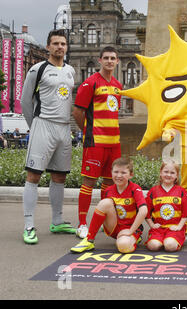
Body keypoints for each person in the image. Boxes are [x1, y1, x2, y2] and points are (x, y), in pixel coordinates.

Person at [20, 29, 76, 244]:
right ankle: (28, 225)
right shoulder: (38, 69)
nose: (59, 47)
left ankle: (57, 220)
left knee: (59, 176)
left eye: (63, 43)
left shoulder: (70, 70)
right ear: (48, 46)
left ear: (66, 47)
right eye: (55, 43)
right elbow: (26, 102)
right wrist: (34, 127)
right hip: (43, 125)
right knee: (33, 175)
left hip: (64, 128)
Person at [73, 46, 123, 239]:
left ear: (117, 62)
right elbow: (78, 111)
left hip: (114, 141)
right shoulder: (90, 83)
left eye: (113, 58)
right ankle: (83, 223)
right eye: (106, 58)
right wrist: (87, 133)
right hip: (95, 141)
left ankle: (101, 219)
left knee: (109, 182)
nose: (110, 61)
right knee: (89, 181)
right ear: (100, 60)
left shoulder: (118, 85)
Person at [70, 157, 147, 253]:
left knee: (123, 246)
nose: (119, 175)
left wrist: (131, 231)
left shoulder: (135, 189)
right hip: (114, 227)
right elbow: (104, 211)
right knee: (105, 203)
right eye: (116, 172)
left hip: (130, 228)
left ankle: (133, 238)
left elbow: (144, 210)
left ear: (131, 175)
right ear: (111, 173)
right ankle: (89, 240)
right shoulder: (108, 190)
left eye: (123, 173)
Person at [145, 160, 187, 252]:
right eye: (166, 172)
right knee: (153, 246)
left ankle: (173, 239)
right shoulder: (153, 191)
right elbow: (146, 212)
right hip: (158, 229)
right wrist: (151, 224)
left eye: (172, 173)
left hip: (174, 229)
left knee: (170, 246)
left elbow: (186, 212)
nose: (168, 175)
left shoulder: (181, 191)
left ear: (176, 176)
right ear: (160, 173)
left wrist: (179, 226)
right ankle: (161, 239)